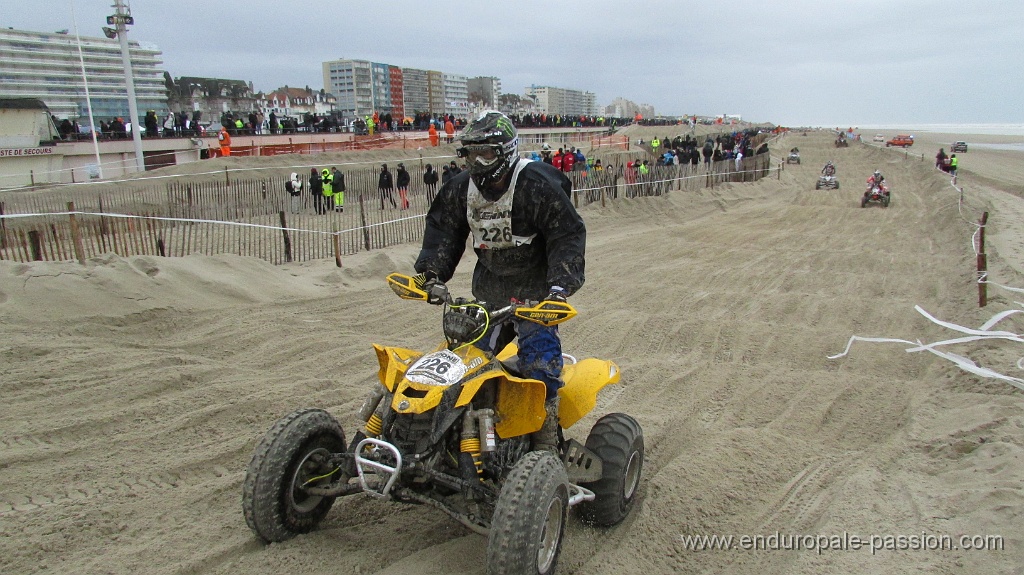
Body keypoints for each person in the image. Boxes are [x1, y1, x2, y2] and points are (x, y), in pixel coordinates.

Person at [413, 110, 585, 453]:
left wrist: (559, 289)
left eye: (486, 154)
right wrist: (431, 272)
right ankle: (453, 438)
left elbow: (566, 235)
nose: (476, 162)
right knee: (464, 364)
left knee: (539, 365)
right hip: (489, 292)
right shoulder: (461, 189)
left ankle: (546, 439)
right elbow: (444, 231)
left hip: (536, 296)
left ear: (506, 151)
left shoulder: (536, 185)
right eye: (470, 154)